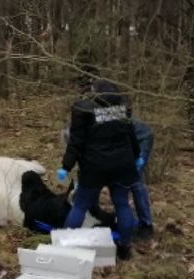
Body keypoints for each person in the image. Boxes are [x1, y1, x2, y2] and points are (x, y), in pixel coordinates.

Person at [57, 79, 140, 260]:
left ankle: (64, 246)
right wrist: (137, 155)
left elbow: (76, 142)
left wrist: (66, 166)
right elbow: (131, 135)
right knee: (122, 205)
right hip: (121, 165)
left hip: (95, 166)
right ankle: (125, 247)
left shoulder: (83, 109)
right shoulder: (123, 107)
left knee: (80, 205)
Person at [130, 119, 155, 240]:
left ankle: (146, 225)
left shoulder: (96, 127)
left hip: (142, 138)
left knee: (135, 181)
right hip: (129, 140)